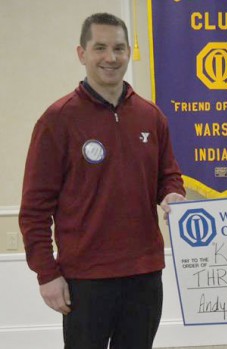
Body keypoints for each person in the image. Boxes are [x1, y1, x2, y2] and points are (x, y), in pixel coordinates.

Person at [19, 13, 186, 349]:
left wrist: (173, 194)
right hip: (86, 278)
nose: (111, 58)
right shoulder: (57, 120)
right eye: (101, 48)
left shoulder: (151, 116)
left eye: (119, 48)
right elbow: (35, 209)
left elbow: (168, 177)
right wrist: (47, 274)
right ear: (82, 53)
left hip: (145, 274)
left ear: (128, 53)